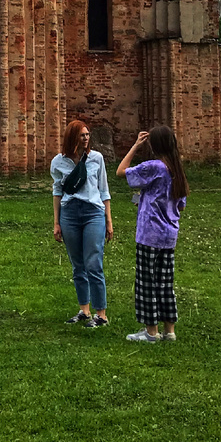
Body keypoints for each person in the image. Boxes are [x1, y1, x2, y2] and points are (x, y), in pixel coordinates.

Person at [117, 126, 188, 344]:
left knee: (146, 282)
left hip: (149, 234)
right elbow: (181, 205)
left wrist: (135, 146)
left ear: (155, 145)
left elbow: (121, 171)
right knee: (165, 282)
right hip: (169, 235)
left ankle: (151, 332)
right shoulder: (177, 170)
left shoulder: (154, 167)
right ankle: (169, 331)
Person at [51, 119, 113, 328]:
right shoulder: (58, 162)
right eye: (82, 135)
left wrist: (108, 220)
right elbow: (57, 192)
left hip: (93, 212)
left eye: (87, 135)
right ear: (72, 137)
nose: (86, 138)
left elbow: (104, 191)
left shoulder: (96, 158)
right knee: (78, 265)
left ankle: (101, 314)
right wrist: (56, 222)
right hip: (69, 213)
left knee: (93, 263)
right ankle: (84, 310)